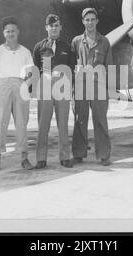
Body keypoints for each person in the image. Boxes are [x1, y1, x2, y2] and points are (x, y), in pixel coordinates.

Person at [0, 16, 34, 172]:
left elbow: (30, 73)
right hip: (2, 85)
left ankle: (24, 157)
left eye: (13, 31)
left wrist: (24, 86)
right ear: (3, 33)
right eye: (7, 31)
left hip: (20, 84)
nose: (10, 33)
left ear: (18, 32)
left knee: (22, 122)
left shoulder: (25, 52)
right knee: (0, 122)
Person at [32, 14, 75, 169]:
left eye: (57, 25)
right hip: (45, 86)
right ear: (46, 28)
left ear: (60, 28)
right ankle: (41, 159)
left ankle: (64, 157)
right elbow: (36, 68)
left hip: (62, 87)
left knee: (63, 124)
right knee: (43, 125)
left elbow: (71, 69)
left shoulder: (68, 47)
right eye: (51, 26)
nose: (54, 28)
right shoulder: (39, 47)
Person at [71, 8, 113, 166]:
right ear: (83, 22)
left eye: (92, 19)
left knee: (100, 120)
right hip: (81, 86)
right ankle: (78, 154)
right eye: (86, 19)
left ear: (97, 21)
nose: (89, 22)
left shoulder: (104, 42)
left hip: (99, 87)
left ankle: (104, 155)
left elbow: (109, 66)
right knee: (79, 120)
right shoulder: (76, 41)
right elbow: (71, 64)